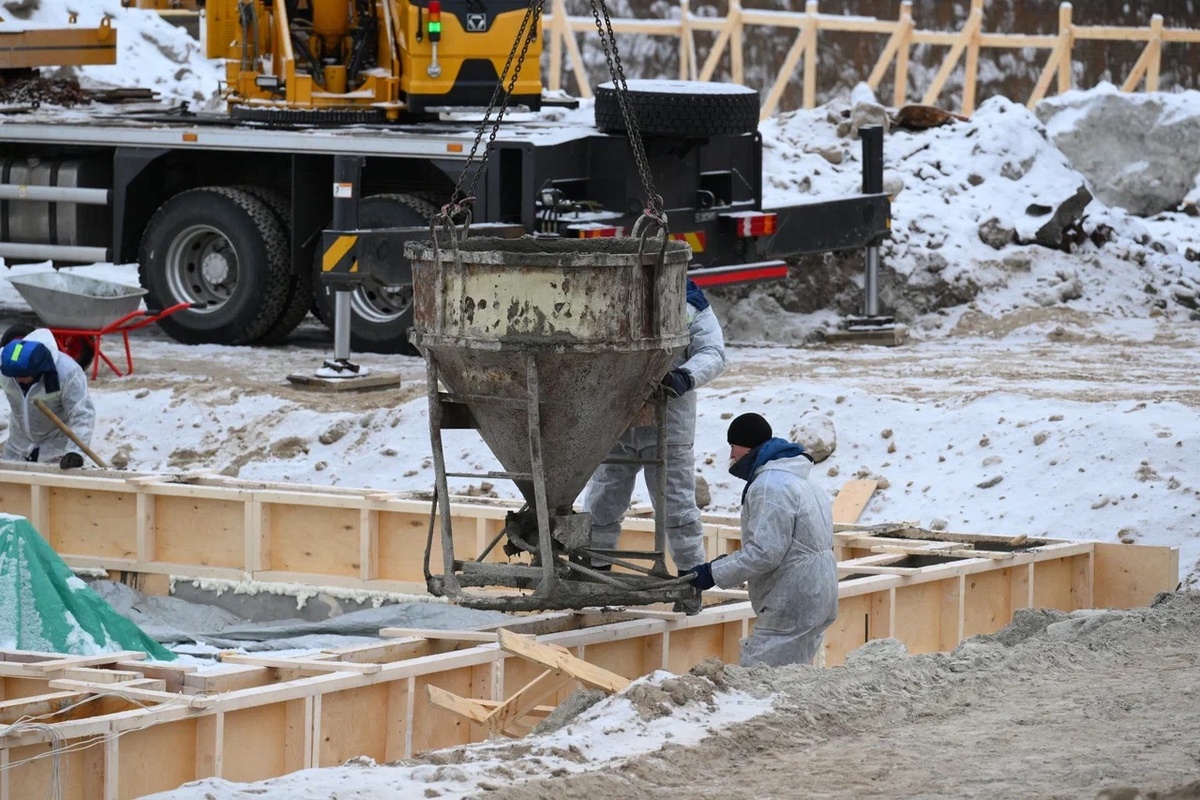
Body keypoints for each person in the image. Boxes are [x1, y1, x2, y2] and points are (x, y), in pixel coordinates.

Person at [581, 278, 727, 577]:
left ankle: (691, 580)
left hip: (668, 422)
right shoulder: (616, 296)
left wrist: (683, 377)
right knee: (602, 504)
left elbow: (713, 353)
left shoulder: (688, 303)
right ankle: (596, 571)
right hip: (619, 420)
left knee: (676, 508)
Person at [685, 412, 838, 667]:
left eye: (733, 446)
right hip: (818, 594)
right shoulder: (803, 482)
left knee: (757, 679)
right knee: (792, 680)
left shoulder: (770, 485)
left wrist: (712, 573)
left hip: (793, 600)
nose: (732, 455)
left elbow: (765, 553)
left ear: (746, 445)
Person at [0, 327, 95, 469]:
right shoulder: (6, 365)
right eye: (15, 375)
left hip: (55, 447)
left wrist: (75, 452)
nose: (18, 379)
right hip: (18, 446)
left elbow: (82, 413)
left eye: (24, 376)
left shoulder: (67, 372)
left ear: (40, 369)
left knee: (51, 490)